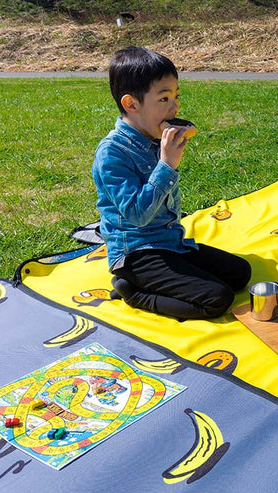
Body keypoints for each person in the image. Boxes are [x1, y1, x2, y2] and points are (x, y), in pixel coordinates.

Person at [92, 46, 251, 320]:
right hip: (136, 254)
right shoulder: (112, 153)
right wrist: (167, 165)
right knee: (218, 298)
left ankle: (171, 274)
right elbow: (137, 215)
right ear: (131, 104)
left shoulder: (155, 136)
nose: (175, 107)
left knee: (240, 274)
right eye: (163, 99)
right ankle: (134, 292)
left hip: (170, 242)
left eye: (176, 96)